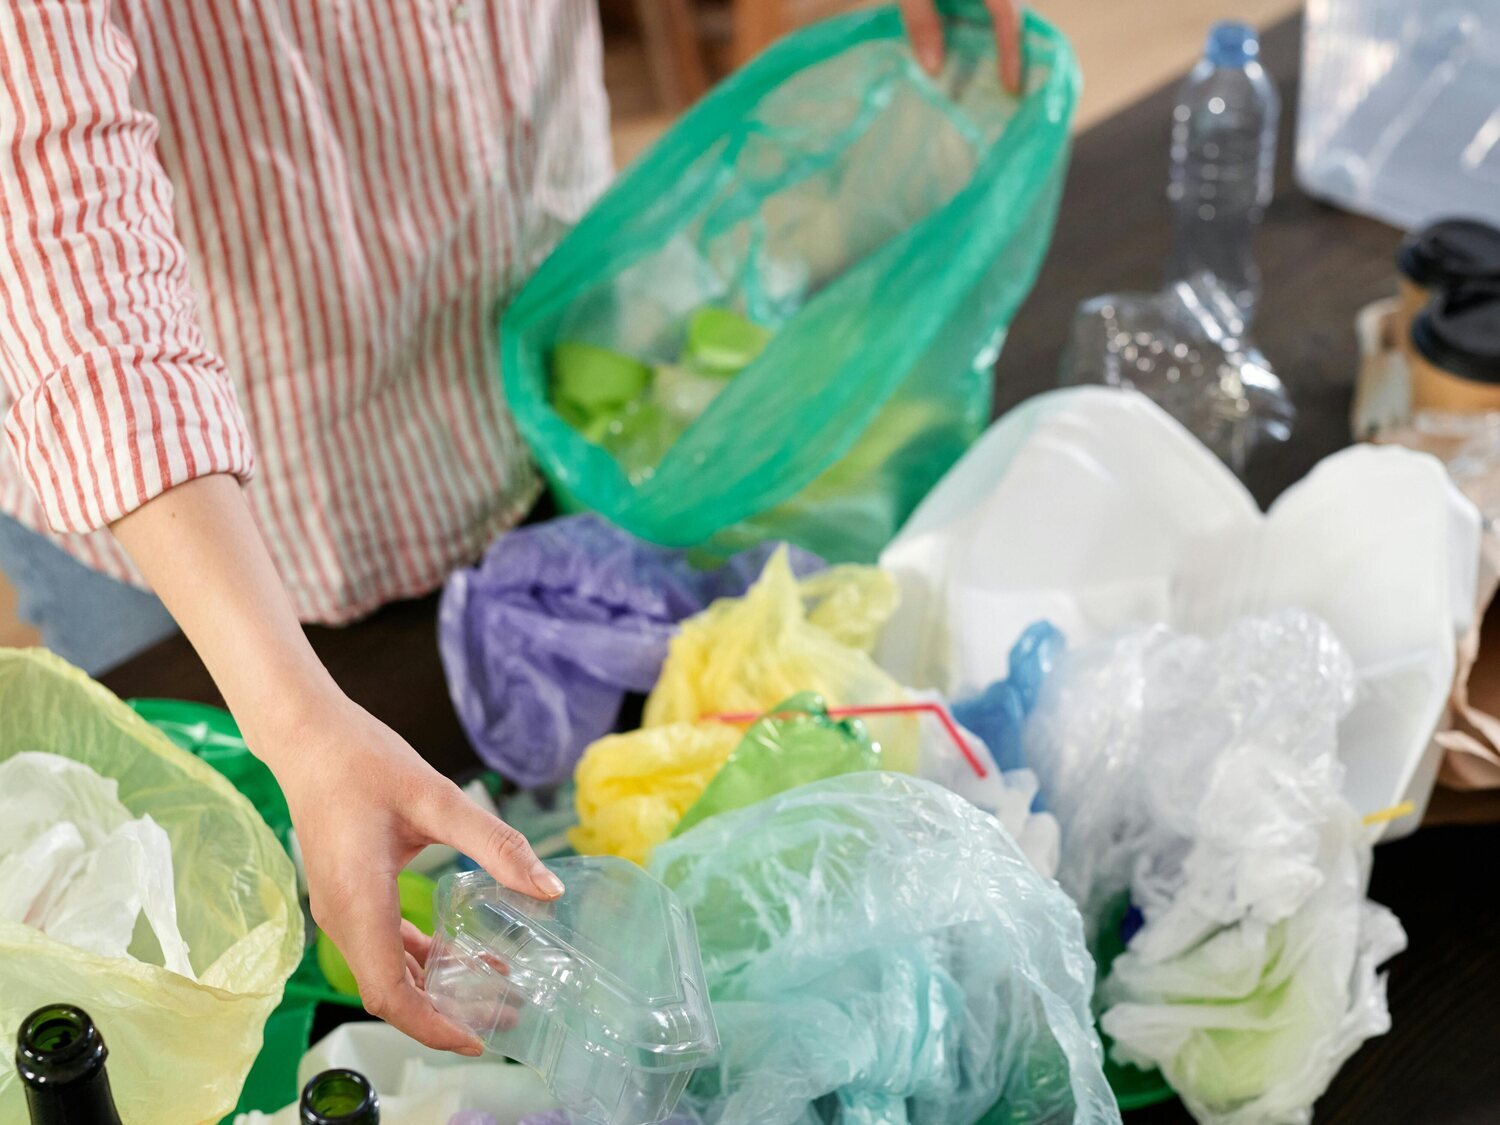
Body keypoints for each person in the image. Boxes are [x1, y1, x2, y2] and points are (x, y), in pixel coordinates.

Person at [0, 0, 1020, 1052]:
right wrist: (299, 725)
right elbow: (50, 217)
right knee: (203, 886)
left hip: (528, 346)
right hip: (200, 527)